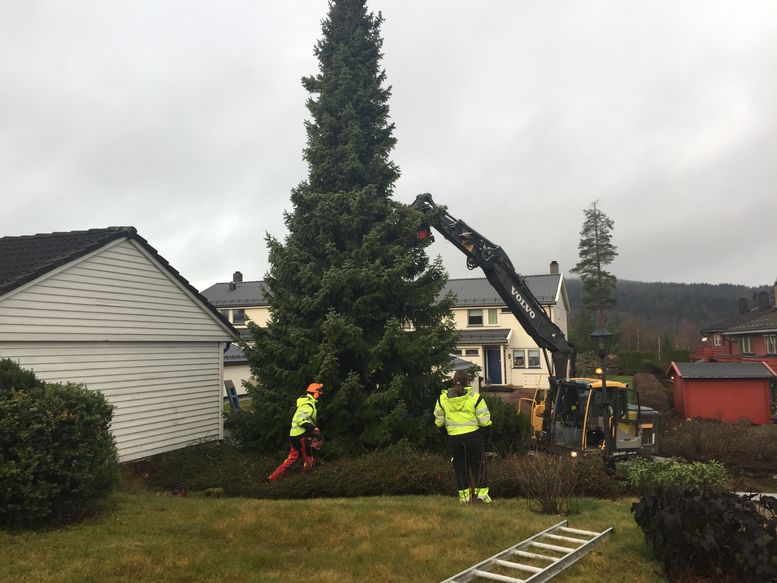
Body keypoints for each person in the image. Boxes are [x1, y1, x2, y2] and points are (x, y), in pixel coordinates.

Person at [434, 370, 493, 503]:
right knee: (478, 465)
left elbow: (439, 419)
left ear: (453, 381)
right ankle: (482, 495)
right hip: (473, 437)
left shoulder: (442, 399)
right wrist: (487, 433)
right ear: (467, 382)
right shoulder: (475, 398)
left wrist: (445, 432)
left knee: (460, 468)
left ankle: (464, 498)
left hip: (454, 439)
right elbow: (484, 419)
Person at [267, 382, 325, 482]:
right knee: (309, 460)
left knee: (291, 458)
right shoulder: (308, 405)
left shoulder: (304, 402)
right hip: (301, 437)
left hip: (294, 436)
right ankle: (303, 481)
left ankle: (272, 478)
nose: (320, 395)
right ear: (315, 393)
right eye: (319, 392)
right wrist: (313, 428)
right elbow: (300, 420)